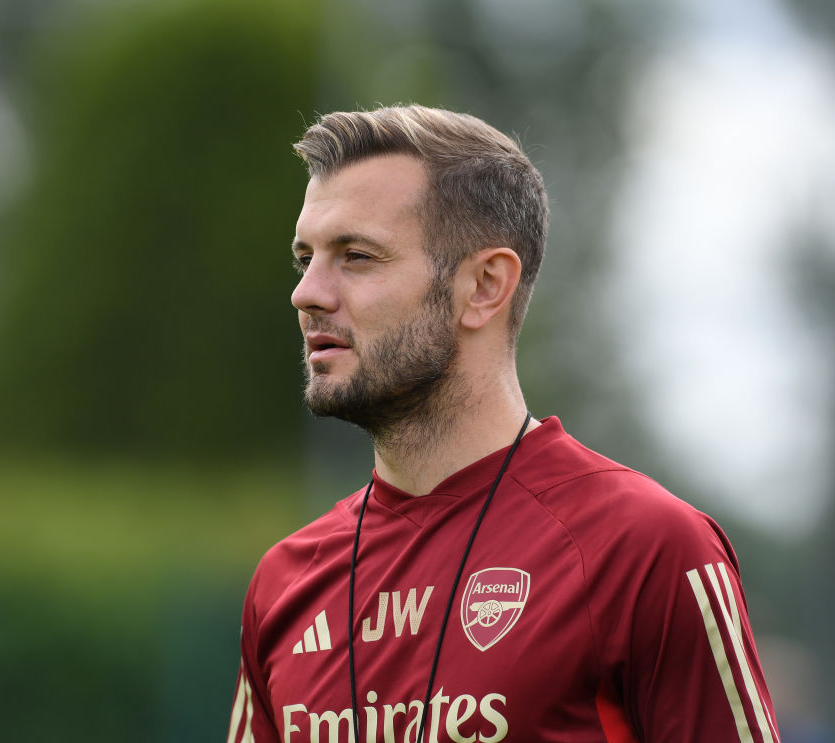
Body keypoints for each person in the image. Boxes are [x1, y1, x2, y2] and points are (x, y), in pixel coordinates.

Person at [227, 104, 780, 743]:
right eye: (306, 258)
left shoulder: (647, 548)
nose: (307, 292)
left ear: (486, 286)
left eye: (356, 256)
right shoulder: (284, 581)